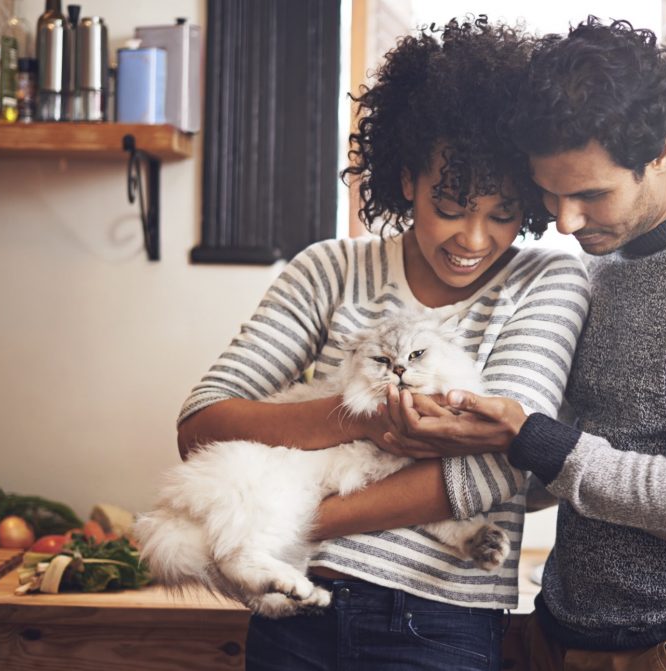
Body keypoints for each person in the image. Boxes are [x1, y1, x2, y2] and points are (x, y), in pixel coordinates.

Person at [378, 17, 666, 671]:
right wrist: (454, 443)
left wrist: (530, 438)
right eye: (550, 194)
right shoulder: (600, 261)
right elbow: (580, 462)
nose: (566, 221)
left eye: (590, 194)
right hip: (559, 634)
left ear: (661, 152)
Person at [175, 17, 590, 670]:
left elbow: (503, 463)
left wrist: (274, 520)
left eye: (503, 214)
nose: (473, 239)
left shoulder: (548, 281)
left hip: (437, 621)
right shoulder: (329, 269)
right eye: (449, 206)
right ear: (406, 180)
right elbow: (203, 425)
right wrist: (361, 419)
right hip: (295, 610)